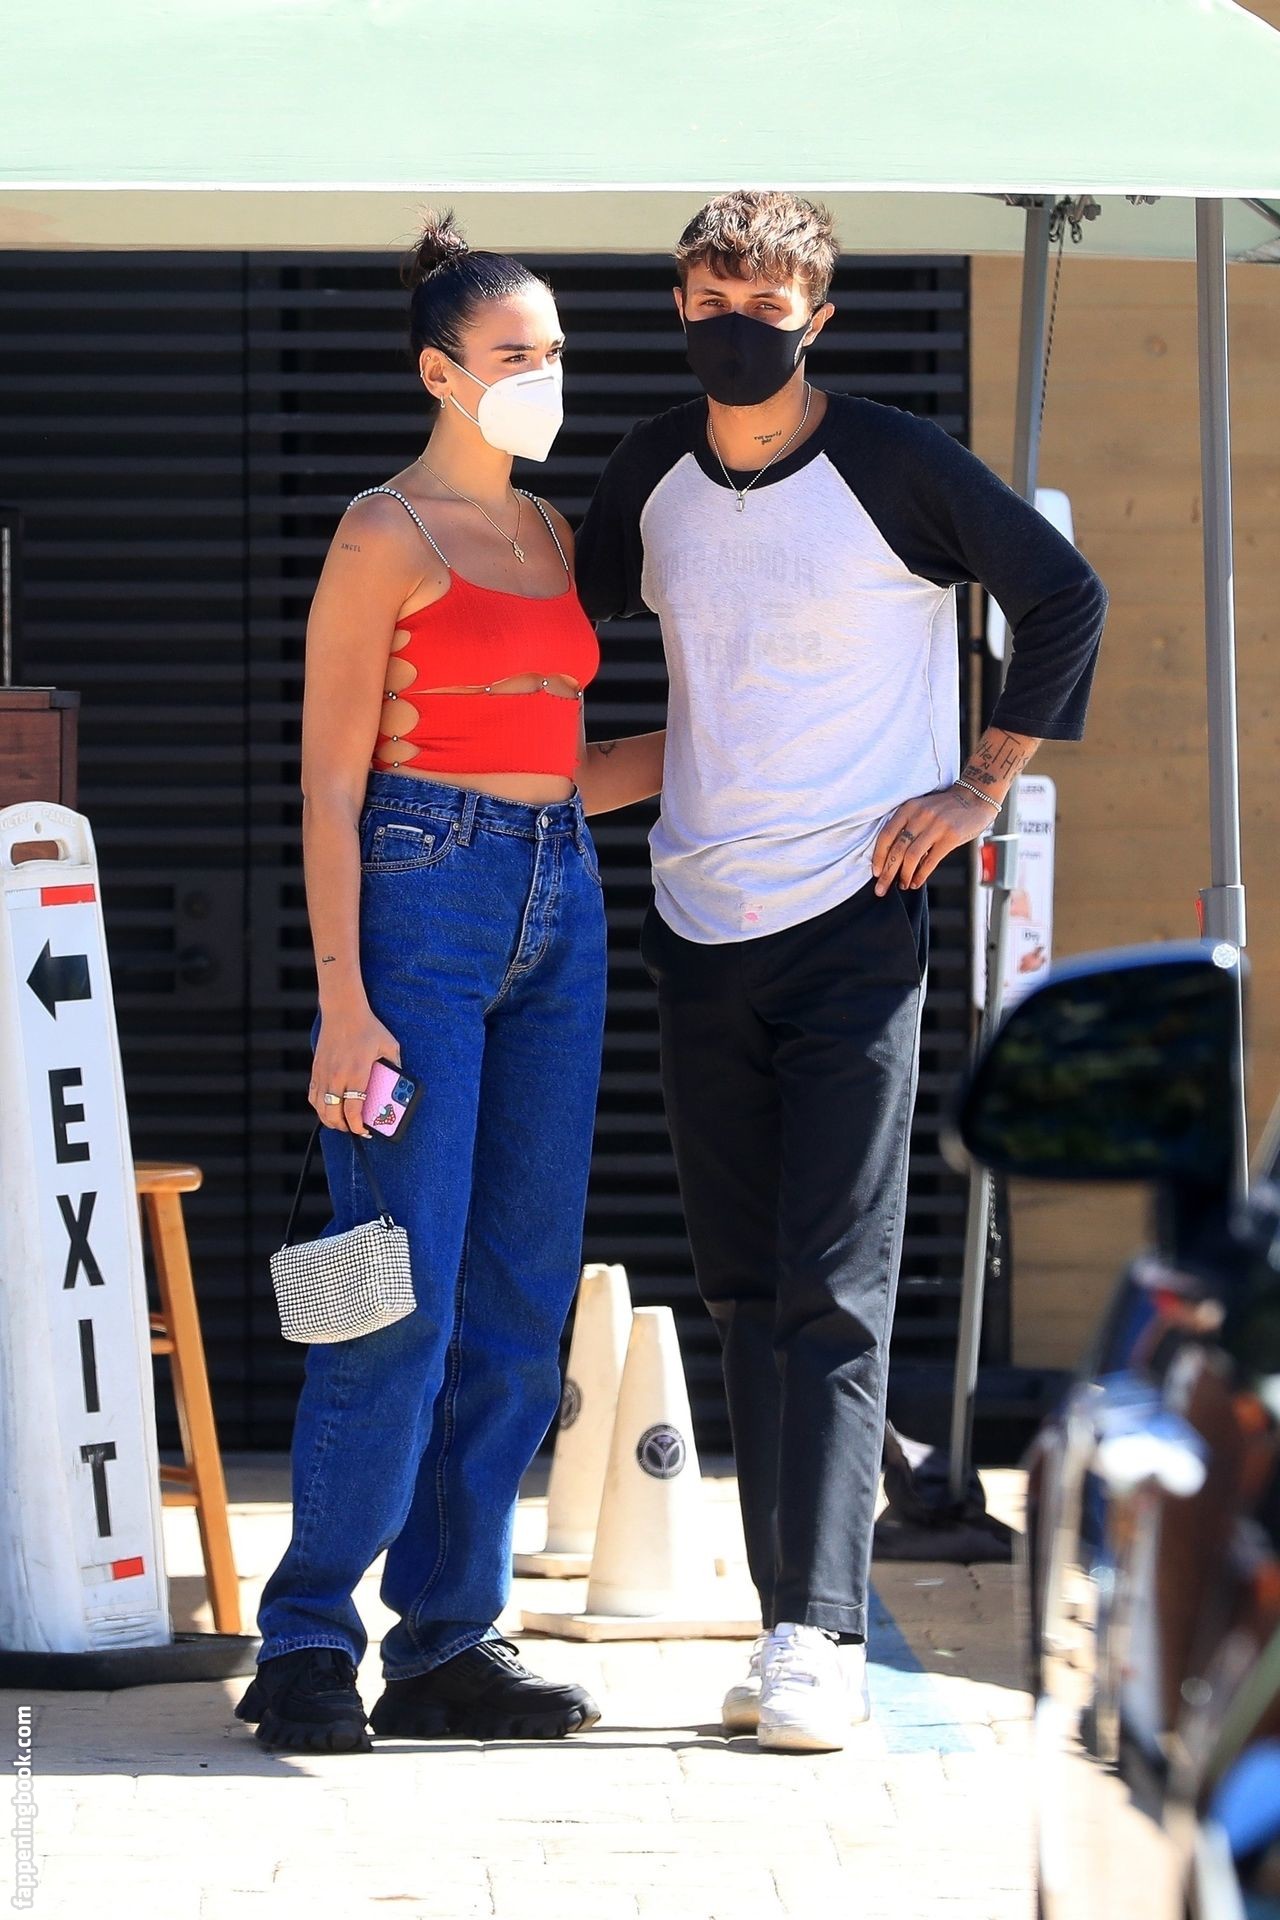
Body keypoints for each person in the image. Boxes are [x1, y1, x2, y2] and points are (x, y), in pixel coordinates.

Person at [574, 190, 1107, 1754]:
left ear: (818, 316)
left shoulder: (894, 462)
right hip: (695, 917)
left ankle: (823, 1632)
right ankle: (781, 1620)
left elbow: (1064, 598)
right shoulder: (650, 471)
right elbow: (563, 637)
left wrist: (979, 786)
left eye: (766, 299)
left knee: (833, 1282)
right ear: (679, 304)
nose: (735, 320)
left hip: (856, 918)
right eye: (710, 296)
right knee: (744, 1288)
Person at [236, 213, 664, 1753]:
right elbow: (329, 784)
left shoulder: (551, 533)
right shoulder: (383, 533)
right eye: (514, 353)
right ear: (441, 372)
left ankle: (447, 1642)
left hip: (563, 896)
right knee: (390, 1295)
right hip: (415, 901)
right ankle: (305, 1641)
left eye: (555, 350)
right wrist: (343, 1001)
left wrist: (744, 737)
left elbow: (565, 767)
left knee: (518, 1301)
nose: (546, 373)